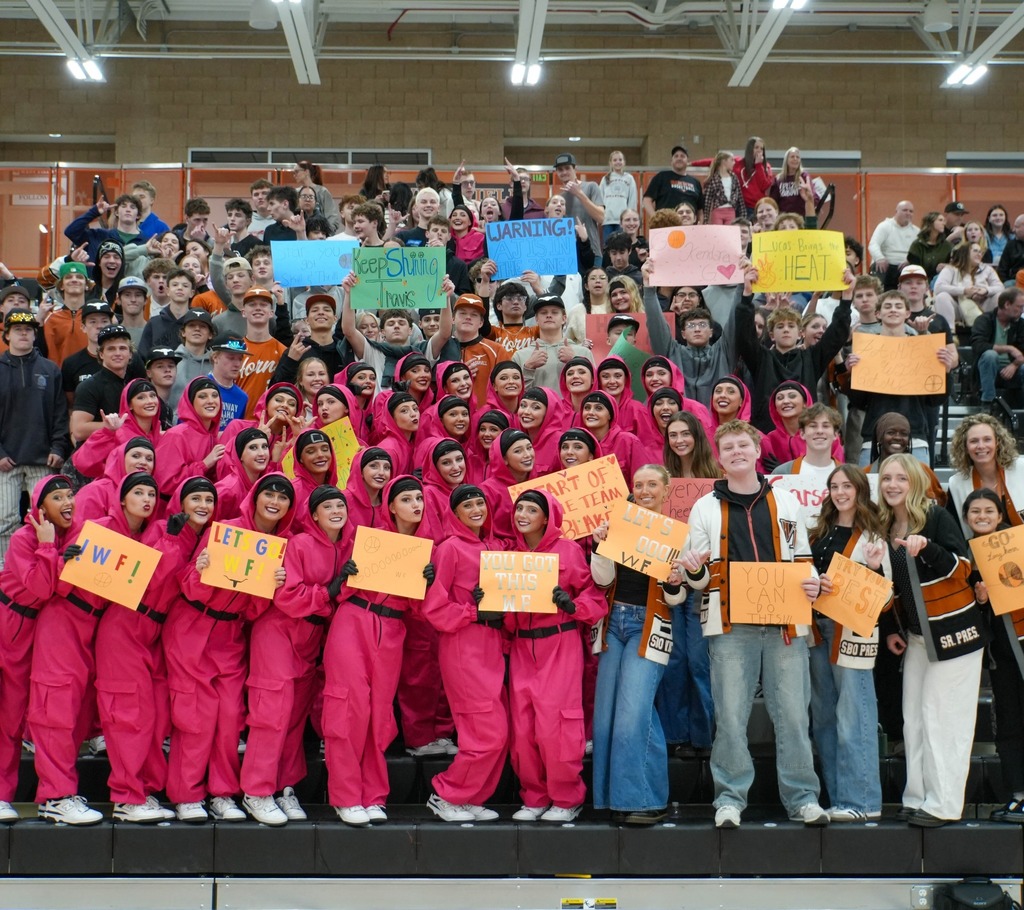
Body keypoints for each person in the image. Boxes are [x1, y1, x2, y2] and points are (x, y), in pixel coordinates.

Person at [681, 419, 829, 829]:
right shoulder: (705, 507)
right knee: (730, 716)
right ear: (719, 456)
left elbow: (802, 556)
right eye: (727, 448)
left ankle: (802, 798)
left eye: (742, 445)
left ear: (757, 449)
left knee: (794, 715)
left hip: (784, 623)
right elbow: (699, 577)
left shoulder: (785, 501)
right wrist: (693, 569)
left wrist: (813, 583)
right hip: (730, 626)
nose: (736, 453)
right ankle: (729, 798)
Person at [878, 453, 984, 826]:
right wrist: (892, 629)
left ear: (916, 482)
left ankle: (944, 804)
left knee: (944, 720)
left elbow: (965, 568)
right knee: (914, 721)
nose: (892, 484)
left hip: (955, 634)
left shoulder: (936, 516)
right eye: (887, 478)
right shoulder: (884, 524)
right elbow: (892, 587)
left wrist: (930, 549)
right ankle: (917, 796)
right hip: (917, 636)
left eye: (900, 478)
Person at [322, 476, 433, 826]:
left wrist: (427, 585)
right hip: (354, 622)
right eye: (407, 499)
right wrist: (343, 577)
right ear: (391, 505)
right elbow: (336, 582)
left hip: (393, 630)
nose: (415, 504)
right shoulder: (364, 539)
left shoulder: (428, 549)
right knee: (347, 710)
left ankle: (373, 795)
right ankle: (345, 796)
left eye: (419, 498)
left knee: (379, 716)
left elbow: (420, 613)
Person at [240, 483, 351, 826]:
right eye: (328, 506)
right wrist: (327, 593)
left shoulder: (347, 548)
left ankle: (283, 786)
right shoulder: (298, 544)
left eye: (340, 506)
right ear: (313, 514)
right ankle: (256, 791)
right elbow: (286, 596)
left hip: (309, 639)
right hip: (278, 633)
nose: (336, 511)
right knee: (271, 713)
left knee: (293, 720)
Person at [590, 465, 686, 824]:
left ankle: (646, 799)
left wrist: (676, 581)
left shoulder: (676, 534)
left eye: (652, 485)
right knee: (608, 715)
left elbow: (677, 598)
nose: (644, 490)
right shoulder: (619, 524)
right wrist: (600, 546)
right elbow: (602, 580)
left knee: (635, 712)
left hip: (650, 624)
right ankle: (612, 799)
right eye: (638, 484)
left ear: (666, 491)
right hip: (613, 624)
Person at [505, 489, 606, 822]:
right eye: (519, 507)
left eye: (531, 510)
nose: (522, 514)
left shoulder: (569, 550)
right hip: (522, 645)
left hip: (559, 644)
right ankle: (534, 795)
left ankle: (566, 797)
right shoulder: (508, 553)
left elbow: (594, 594)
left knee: (557, 725)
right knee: (523, 727)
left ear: (546, 518)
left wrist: (571, 605)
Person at [806, 465, 890, 821]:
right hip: (817, 629)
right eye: (834, 486)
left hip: (853, 631)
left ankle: (863, 800)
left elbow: (885, 600)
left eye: (847, 486)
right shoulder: (819, 531)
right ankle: (840, 798)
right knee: (824, 716)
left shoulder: (873, 535)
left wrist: (873, 570)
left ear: (860, 490)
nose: (840, 492)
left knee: (854, 714)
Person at [420, 485, 506, 822]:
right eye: (467, 505)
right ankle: (445, 794)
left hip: (492, 645)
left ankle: (468, 796)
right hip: (463, 645)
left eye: (479, 503)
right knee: (485, 732)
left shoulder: (496, 546)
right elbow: (435, 606)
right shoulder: (449, 549)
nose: (475, 510)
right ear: (454, 513)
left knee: (497, 732)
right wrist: (474, 612)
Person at [0, 475, 76, 822]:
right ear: (40, 506)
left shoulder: (64, 539)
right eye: (57, 497)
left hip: (34, 631)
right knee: (6, 720)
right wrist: (48, 548)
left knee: (25, 717)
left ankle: (50, 796)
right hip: (7, 624)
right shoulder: (24, 538)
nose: (67, 502)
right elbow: (42, 588)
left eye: (69, 495)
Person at [959, 489, 1024, 822]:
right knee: (1010, 721)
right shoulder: (964, 557)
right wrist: (981, 602)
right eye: (975, 511)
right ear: (966, 517)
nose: (982, 516)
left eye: (989, 511)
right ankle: (1018, 795)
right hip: (999, 654)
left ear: (1000, 516)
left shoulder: (1018, 546)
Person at [0, 309, 68, 566]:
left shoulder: (50, 370)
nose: (23, 334)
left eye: (28, 330)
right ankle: (6, 571)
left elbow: (60, 412)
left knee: (46, 518)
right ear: (7, 335)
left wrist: (59, 447)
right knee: (4, 520)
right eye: (17, 330)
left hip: (44, 458)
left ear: (34, 334)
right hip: (6, 461)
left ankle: (43, 565)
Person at [970, 287, 1024, 404]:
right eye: (1019, 306)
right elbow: (978, 345)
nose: (1021, 310)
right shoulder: (984, 320)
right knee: (990, 355)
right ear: (1007, 304)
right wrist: (1009, 348)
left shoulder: (1020, 324)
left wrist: (1014, 365)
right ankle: (987, 402)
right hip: (986, 369)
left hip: (1012, 370)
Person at [934, 241, 1003, 328]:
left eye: (980, 252)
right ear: (965, 252)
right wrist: (964, 291)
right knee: (941, 296)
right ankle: (950, 333)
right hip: (959, 308)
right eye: (975, 251)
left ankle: (996, 331)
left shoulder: (987, 269)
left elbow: (1000, 287)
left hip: (982, 306)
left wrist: (986, 291)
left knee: (999, 295)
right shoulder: (951, 269)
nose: (979, 254)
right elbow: (938, 287)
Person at [553, 152, 605, 261]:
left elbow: (601, 217)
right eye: (560, 169)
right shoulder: (559, 199)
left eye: (567, 168)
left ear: (575, 168)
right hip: (568, 254)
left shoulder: (591, 187)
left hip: (592, 251)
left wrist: (579, 193)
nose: (564, 172)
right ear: (556, 172)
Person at [643, 146, 702, 222]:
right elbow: (647, 200)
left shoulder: (695, 182)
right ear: (671, 161)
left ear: (687, 161)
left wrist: (699, 225)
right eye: (676, 156)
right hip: (666, 226)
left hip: (689, 227)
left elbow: (700, 210)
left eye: (682, 156)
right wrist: (656, 219)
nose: (679, 158)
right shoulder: (661, 177)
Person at [868, 201, 918, 291]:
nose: (908, 213)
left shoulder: (916, 231)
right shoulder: (885, 226)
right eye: (905, 210)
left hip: (905, 266)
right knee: (878, 266)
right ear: (896, 212)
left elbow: (919, 251)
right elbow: (873, 244)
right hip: (885, 265)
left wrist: (909, 260)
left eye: (911, 211)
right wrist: (880, 258)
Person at [599, 151, 638, 243]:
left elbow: (632, 198)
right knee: (608, 245)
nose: (618, 162)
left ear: (624, 162)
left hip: (622, 221)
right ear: (610, 163)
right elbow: (599, 199)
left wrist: (631, 217)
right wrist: (600, 215)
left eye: (620, 160)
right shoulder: (605, 179)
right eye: (615, 160)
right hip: (607, 219)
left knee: (622, 244)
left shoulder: (629, 178)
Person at [769, 148, 819, 216]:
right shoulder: (778, 179)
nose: (795, 159)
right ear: (786, 160)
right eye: (792, 157)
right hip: (784, 218)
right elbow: (773, 201)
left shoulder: (804, 176)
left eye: (797, 157)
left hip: (801, 217)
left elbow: (814, 198)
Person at [906, 212, 953, 282]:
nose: (944, 223)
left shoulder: (947, 245)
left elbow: (955, 265)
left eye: (944, 221)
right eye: (940, 220)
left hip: (942, 280)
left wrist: (947, 266)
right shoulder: (917, 245)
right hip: (921, 281)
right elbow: (915, 269)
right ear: (930, 223)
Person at [702, 150, 744, 225]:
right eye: (731, 160)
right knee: (718, 233)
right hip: (717, 211)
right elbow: (707, 200)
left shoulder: (734, 177)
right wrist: (706, 218)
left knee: (729, 233)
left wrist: (743, 214)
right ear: (724, 161)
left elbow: (740, 197)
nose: (734, 162)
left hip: (731, 210)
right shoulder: (714, 178)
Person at [734, 137, 774, 216]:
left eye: (761, 149)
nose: (759, 150)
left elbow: (764, 185)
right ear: (750, 149)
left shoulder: (766, 167)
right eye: (756, 147)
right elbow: (718, 160)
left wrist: (758, 165)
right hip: (741, 206)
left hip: (757, 207)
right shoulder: (738, 162)